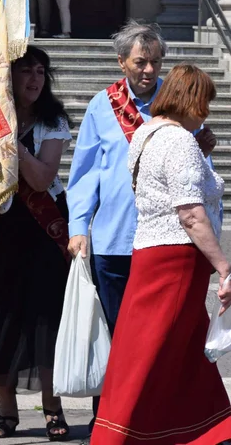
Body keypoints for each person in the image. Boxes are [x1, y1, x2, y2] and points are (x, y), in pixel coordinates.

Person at [91, 64, 231, 445]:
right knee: (155, 349)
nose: (205, 112)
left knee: (172, 347)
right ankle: (127, 434)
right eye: (203, 103)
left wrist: (198, 153)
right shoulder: (179, 141)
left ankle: (206, 428)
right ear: (189, 100)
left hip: (150, 251)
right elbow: (190, 213)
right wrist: (224, 265)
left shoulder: (147, 133)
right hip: (176, 258)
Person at [0, 47, 72, 440]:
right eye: (27, 71)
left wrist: (13, 144)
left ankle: (53, 409)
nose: (35, 79)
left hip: (41, 231)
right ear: (10, 76)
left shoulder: (52, 122)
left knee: (44, 321)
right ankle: (7, 412)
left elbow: (41, 179)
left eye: (41, 71)